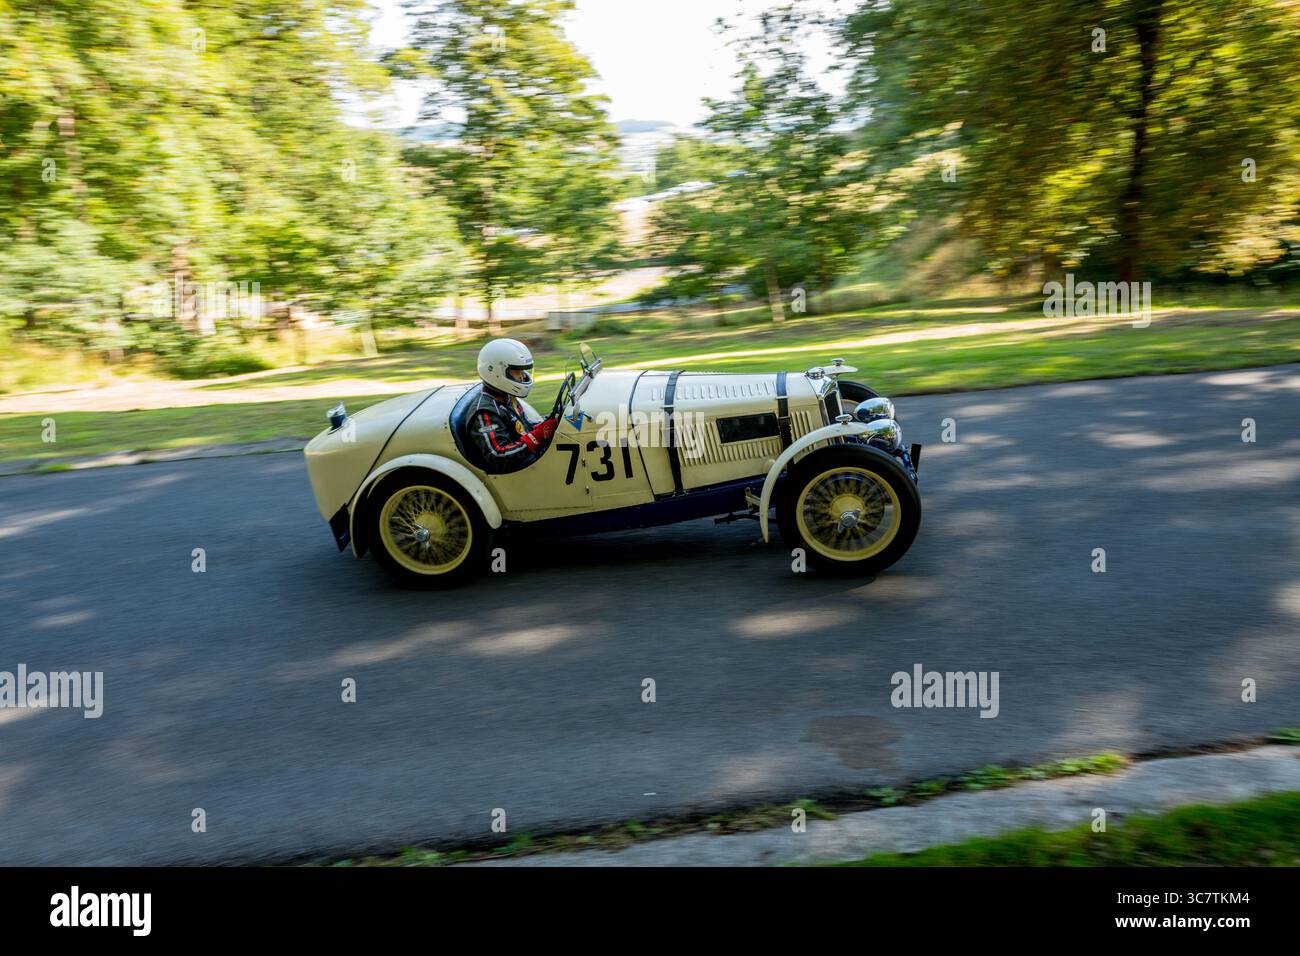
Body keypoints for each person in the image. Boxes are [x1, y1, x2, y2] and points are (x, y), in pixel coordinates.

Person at [466, 338, 559, 474]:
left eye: (522, 372)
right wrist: (537, 436)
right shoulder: (484, 413)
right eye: (516, 372)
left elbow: (524, 428)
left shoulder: (507, 397)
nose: (522, 377)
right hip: (518, 472)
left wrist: (548, 424)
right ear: (496, 371)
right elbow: (498, 456)